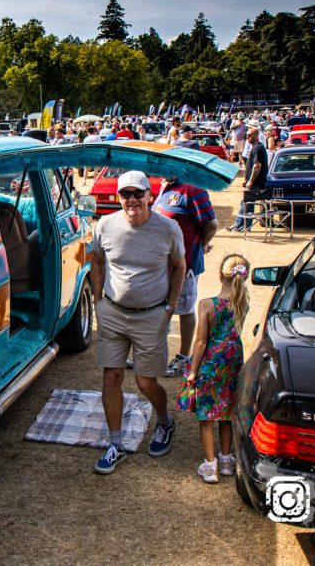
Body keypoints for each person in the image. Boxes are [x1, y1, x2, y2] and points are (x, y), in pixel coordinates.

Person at [90, 171, 185, 473]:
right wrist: (97, 302)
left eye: (137, 193)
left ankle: (165, 421)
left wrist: (170, 306)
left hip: (151, 315)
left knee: (146, 381)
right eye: (125, 194)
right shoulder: (105, 225)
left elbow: (180, 265)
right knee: (111, 378)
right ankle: (116, 443)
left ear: (149, 195)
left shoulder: (168, 228)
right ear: (119, 198)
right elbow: (97, 262)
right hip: (113, 313)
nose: (132, 199)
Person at [182, 254, 250, 483]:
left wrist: (193, 371)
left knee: (207, 414)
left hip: (212, 362)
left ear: (220, 274)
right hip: (233, 360)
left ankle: (210, 465)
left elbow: (200, 341)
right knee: (227, 413)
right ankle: (226, 460)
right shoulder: (242, 302)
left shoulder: (207, 305)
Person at [152, 177, 218, 377]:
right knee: (162, 306)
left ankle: (183, 357)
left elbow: (211, 224)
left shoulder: (193, 188)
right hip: (162, 263)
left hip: (185, 263)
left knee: (184, 308)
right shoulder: (166, 186)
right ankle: (155, 356)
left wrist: (199, 245)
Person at [228, 126, 268, 232]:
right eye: (247, 135)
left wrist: (250, 181)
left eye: (249, 135)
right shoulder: (255, 147)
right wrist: (247, 180)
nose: (247, 137)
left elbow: (257, 166)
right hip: (254, 182)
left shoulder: (257, 148)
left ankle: (239, 226)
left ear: (256, 136)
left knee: (245, 202)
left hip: (256, 183)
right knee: (247, 203)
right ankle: (243, 225)